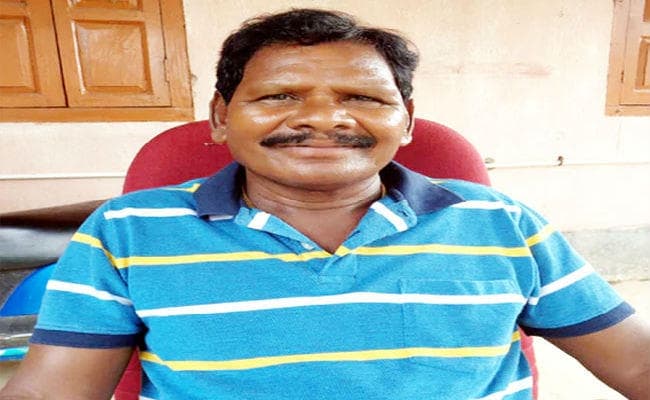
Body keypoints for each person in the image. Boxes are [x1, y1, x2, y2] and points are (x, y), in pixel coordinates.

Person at [1, 8, 649, 400]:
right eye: (279, 96)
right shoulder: (128, 231)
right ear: (221, 118)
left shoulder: (500, 223)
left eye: (362, 98)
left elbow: (637, 361)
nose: (323, 119)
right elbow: (53, 391)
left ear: (407, 121)